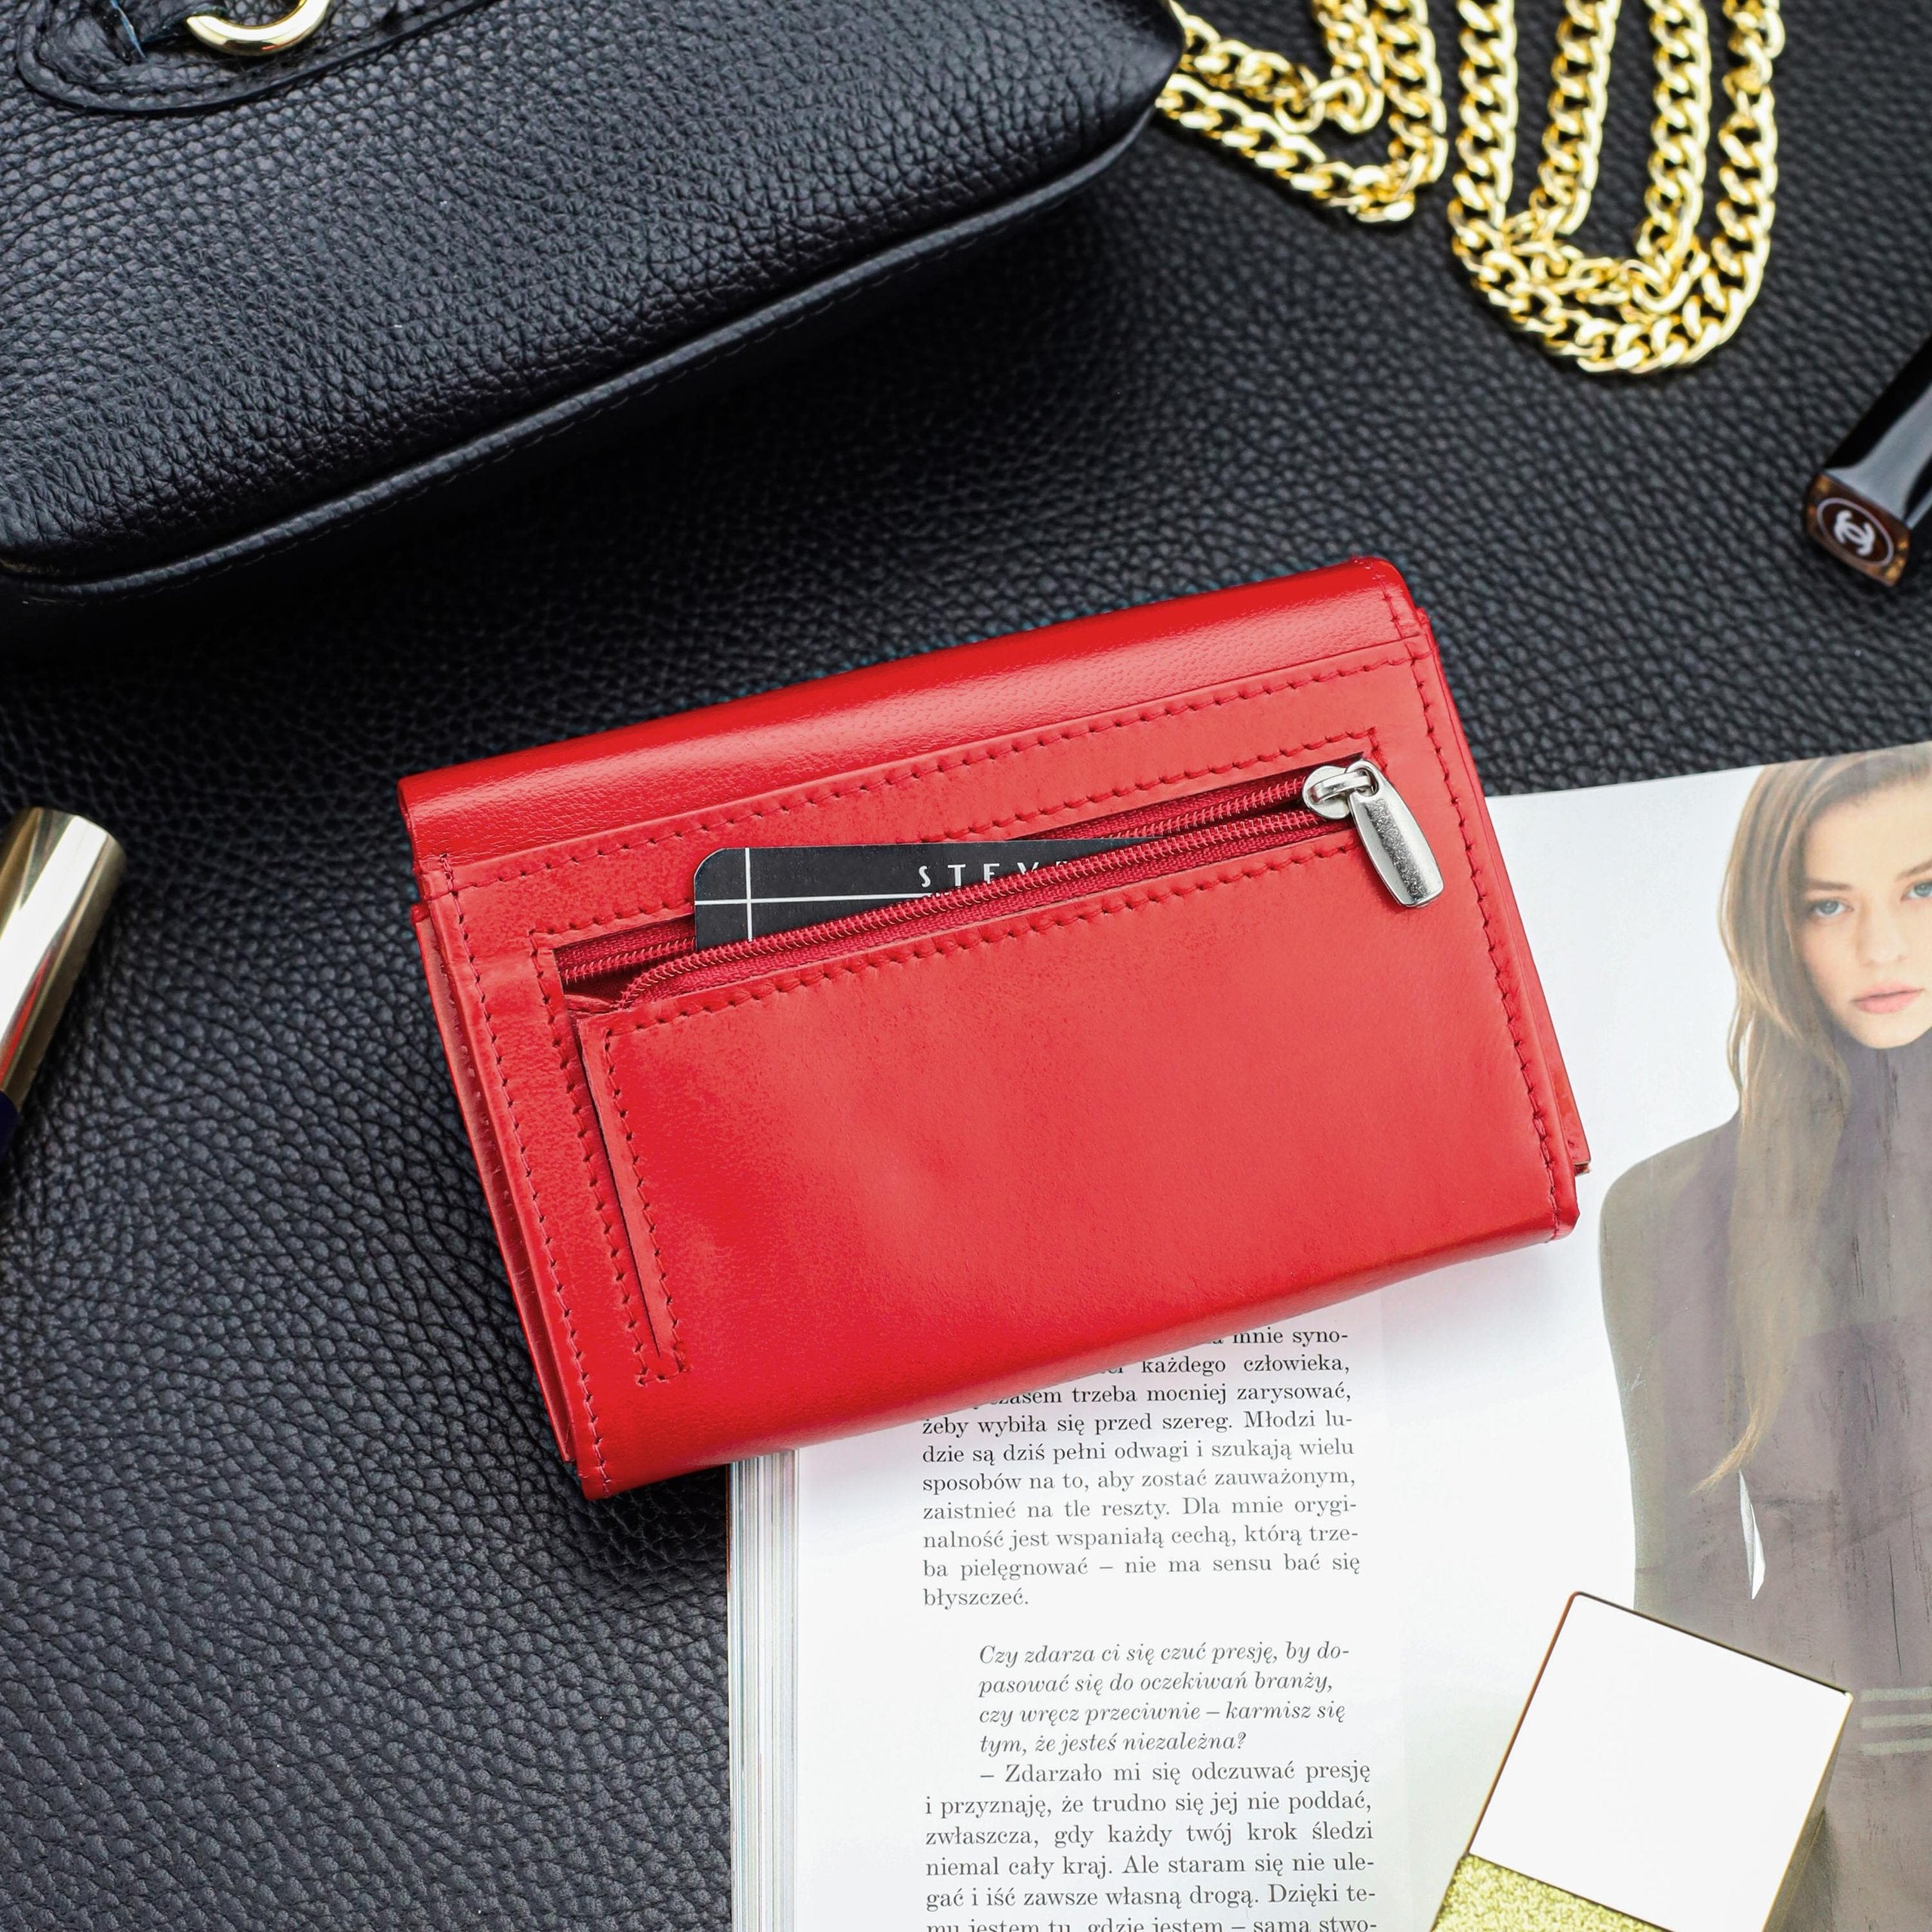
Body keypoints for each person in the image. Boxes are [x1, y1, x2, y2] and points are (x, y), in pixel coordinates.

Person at [1601, 744, 1932, 1930]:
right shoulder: (1673, 1209)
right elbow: (1679, 1589)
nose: (1882, 949)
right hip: (1815, 1808)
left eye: (1923, 889)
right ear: (1771, 925)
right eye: (1829, 906)